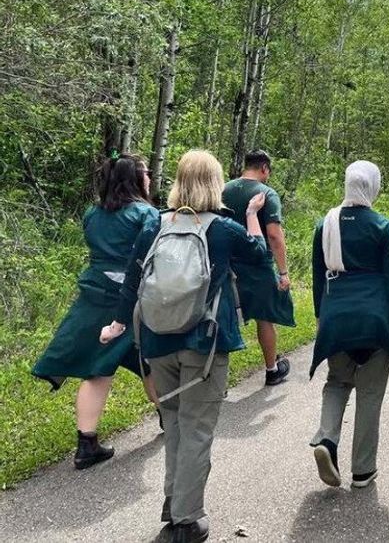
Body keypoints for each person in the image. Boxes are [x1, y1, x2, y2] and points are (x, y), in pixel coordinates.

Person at [101, 150, 268, 543]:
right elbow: (259, 256)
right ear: (214, 183)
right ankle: (186, 520)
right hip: (204, 343)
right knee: (196, 430)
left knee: (175, 424)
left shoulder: (154, 225)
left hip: (158, 341)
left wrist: (118, 324)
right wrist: (251, 216)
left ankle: (174, 504)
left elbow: (132, 279)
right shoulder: (223, 230)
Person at [31, 153, 160, 469]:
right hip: (129, 300)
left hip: (94, 293)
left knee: (111, 365)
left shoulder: (92, 214)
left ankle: (88, 444)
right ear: (136, 179)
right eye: (146, 174)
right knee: (145, 361)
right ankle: (169, 417)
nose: (150, 179)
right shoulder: (146, 214)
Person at [308, 161, 389, 489]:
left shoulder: (325, 224)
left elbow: (316, 276)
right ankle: (363, 470)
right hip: (375, 321)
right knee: (370, 393)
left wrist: (321, 317)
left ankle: (326, 439)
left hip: (336, 316)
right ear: (373, 186)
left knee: (337, 382)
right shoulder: (383, 227)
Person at [222, 150, 295, 385]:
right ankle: (272, 369)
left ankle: (217, 377)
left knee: (224, 316)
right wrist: (283, 272)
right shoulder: (267, 193)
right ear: (264, 168)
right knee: (265, 318)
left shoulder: (224, 189)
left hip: (228, 262)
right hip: (258, 263)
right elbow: (274, 235)